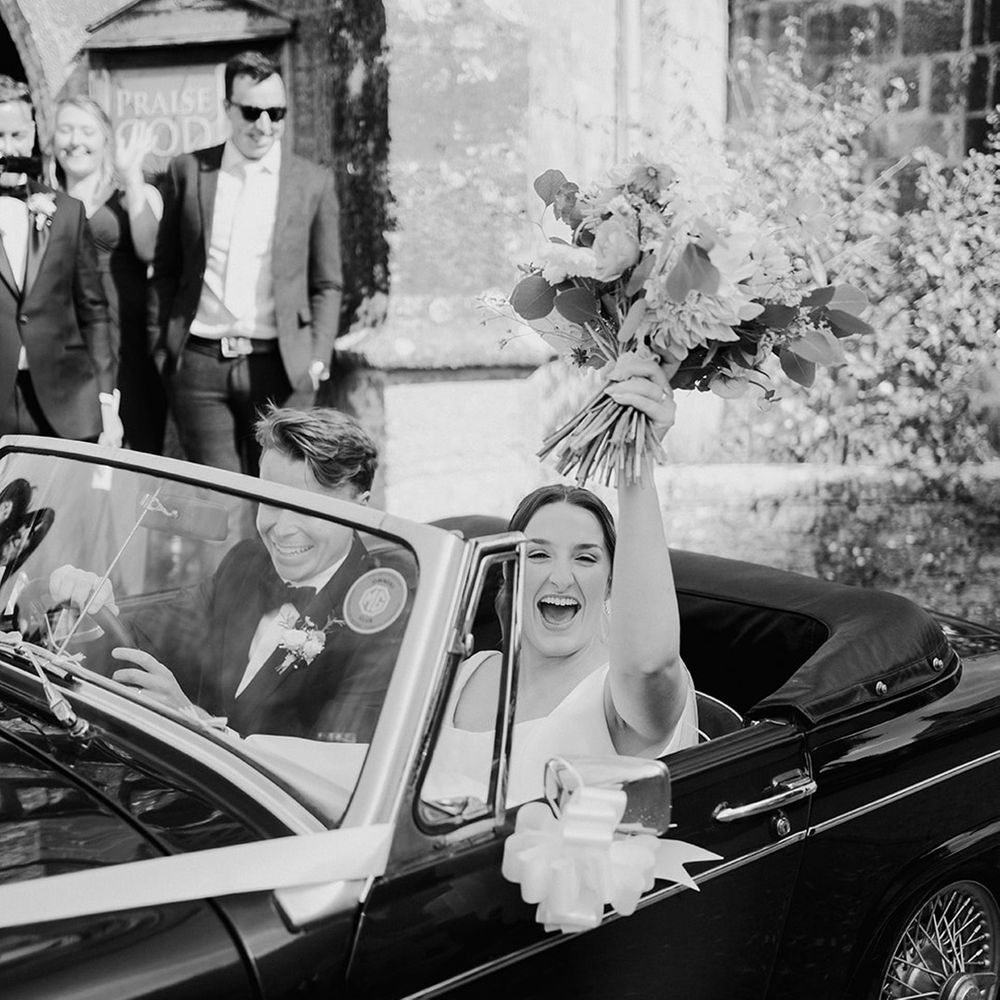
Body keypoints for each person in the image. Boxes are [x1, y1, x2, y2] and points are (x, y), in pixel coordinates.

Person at [426, 355, 699, 805]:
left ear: (613, 583)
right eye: (537, 554)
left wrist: (637, 463)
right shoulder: (463, 672)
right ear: (509, 573)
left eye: (586, 559)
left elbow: (649, 663)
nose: (560, 576)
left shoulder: (618, 697)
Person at [48, 406, 398, 744]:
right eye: (271, 500)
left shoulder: (384, 623)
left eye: (310, 510)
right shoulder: (246, 563)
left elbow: (330, 772)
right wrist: (92, 609)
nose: (282, 528)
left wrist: (193, 721)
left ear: (361, 508)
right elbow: (149, 641)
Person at [149, 49, 343, 477]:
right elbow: (166, 270)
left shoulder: (313, 182)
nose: (265, 125)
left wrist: (318, 358)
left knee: (280, 490)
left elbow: (328, 283)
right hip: (199, 362)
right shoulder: (187, 171)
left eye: (277, 113)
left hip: (278, 362)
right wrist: (162, 348)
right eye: (252, 112)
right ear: (227, 108)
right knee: (219, 494)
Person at [0, 76, 121, 444]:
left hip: (65, 406)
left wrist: (105, 402)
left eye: (17, 135)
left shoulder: (67, 211)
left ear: (34, 132)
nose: (6, 148)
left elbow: (94, 312)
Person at [49, 96, 167, 454]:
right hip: (63, 346)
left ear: (105, 139)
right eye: (65, 130)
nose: (75, 141)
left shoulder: (134, 195)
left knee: (136, 459)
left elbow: (151, 251)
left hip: (127, 346)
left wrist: (132, 177)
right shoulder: (40, 200)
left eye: (87, 131)